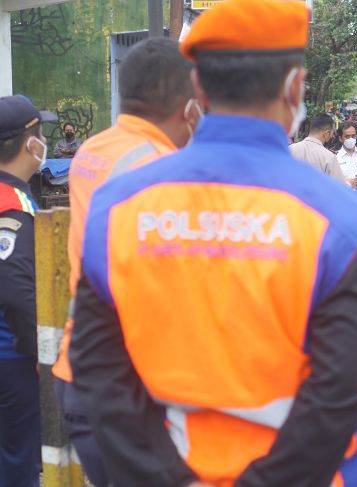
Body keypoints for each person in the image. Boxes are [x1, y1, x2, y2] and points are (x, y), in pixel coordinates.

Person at [69, 1, 357, 485]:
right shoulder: (343, 221)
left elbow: (97, 366)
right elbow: (336, 396)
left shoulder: (116, 207)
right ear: (294, 87)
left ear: (198, 88)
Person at [50, 38, 199, 487]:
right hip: (136, 391)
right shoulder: (164, 171)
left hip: (80, 374)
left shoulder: (92, 151)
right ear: (189, 107)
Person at [0, 95, 54, 487]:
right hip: (12, 357)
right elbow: (17, 292)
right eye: (41, 132)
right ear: (27, 142)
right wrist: (41, 352)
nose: (45, 140)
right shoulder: (13, 205)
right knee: (18, 463)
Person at [290, 113, 345, 181]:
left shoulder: (290, 149)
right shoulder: (329, 157)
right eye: (332, 133)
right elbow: (339, 186)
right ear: (327, 133)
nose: (332, 136)